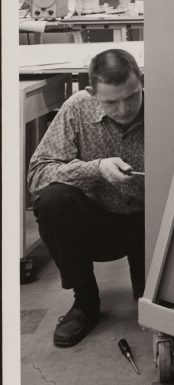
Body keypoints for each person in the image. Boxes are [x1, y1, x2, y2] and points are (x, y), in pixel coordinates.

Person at [28, 48, 145, 348]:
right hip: (100, 223)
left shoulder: (167, 103)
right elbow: (38, 174)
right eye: (111, 102)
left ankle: (151, 291)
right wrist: (97, 168)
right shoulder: (77, 108)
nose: (123, 109)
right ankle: (85, 302)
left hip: (153, 224)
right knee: (53, 200)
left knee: (151, 302)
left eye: (132, 96)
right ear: (92, 93)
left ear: (141, 82)